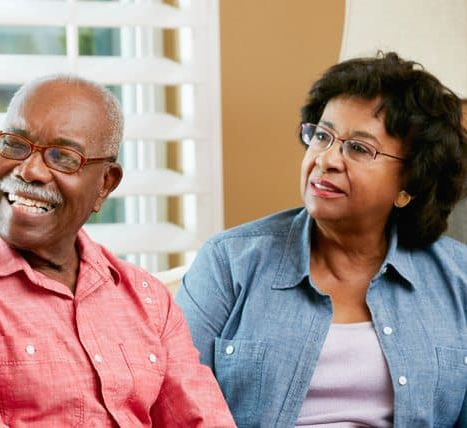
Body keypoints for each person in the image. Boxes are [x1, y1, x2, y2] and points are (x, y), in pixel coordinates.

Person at [0, 74, 236, 427]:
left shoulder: (147, 299)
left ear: (105, 184)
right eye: (16, 145)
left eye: (63, 157)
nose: (30, 170)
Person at [176, 52, 466, 427]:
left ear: (410, 183)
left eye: (359, 148)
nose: (326, 160)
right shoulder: (229, 262)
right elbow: (174, 401)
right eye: (322, 136)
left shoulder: (458, 279)